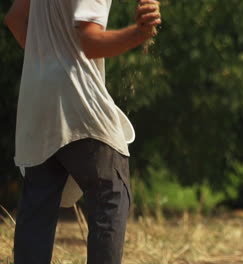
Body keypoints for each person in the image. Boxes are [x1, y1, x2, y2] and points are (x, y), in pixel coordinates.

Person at [4, 0, 161, 263]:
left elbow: (15, 19)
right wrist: (139, 33)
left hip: (38, 101)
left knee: (38, 206)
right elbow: (91, 42)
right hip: (79, 103)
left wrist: (47, 61)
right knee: (111, 193)